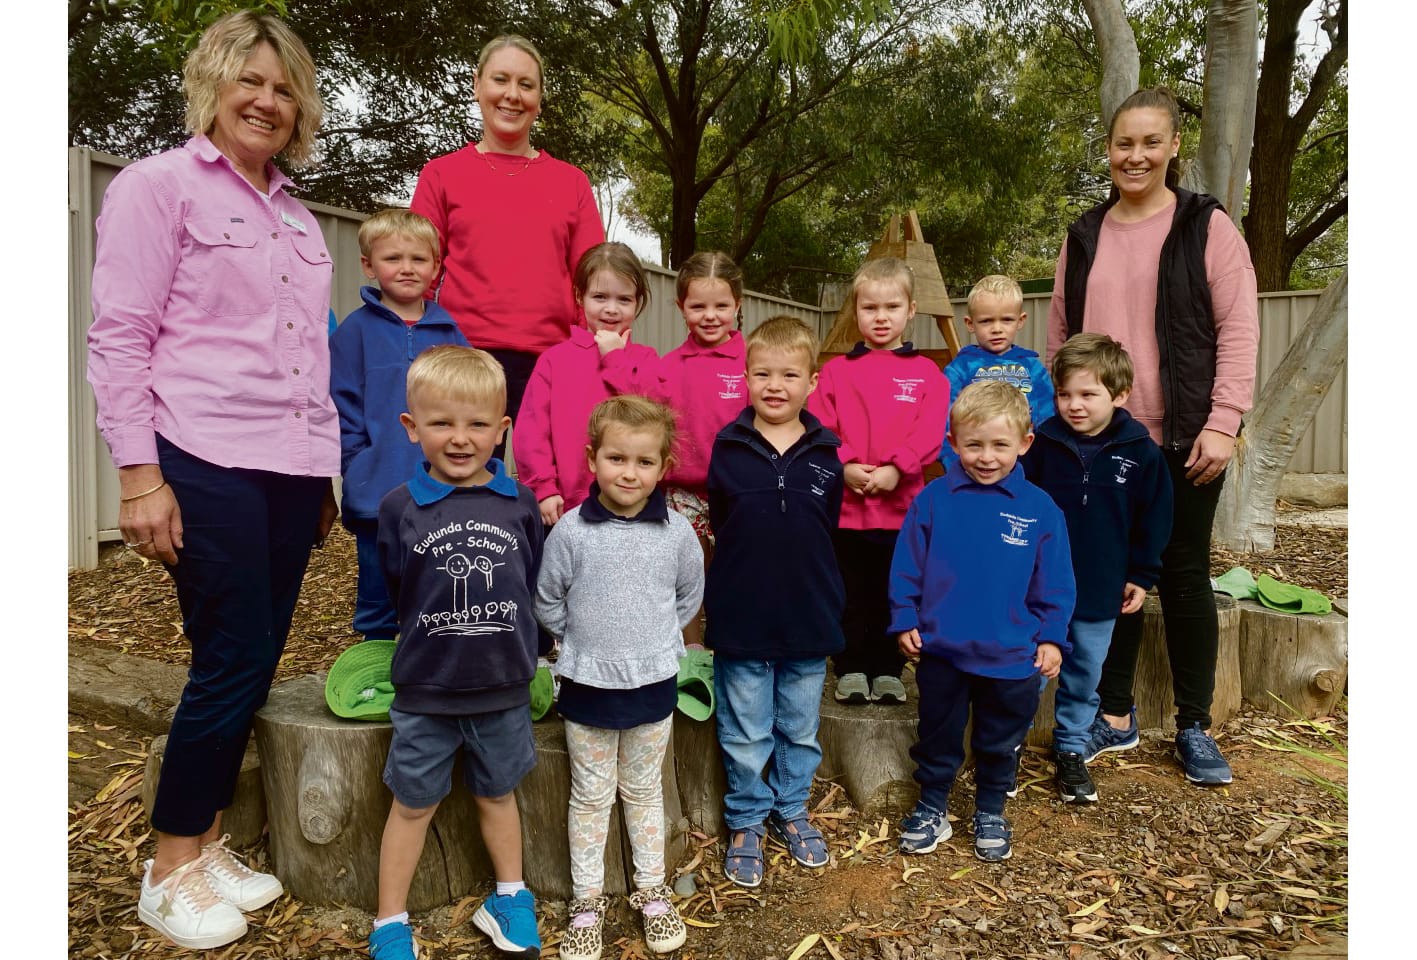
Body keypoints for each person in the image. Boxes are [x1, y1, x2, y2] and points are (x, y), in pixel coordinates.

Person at [86, 11, 336, 949]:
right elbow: (119, 337)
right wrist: (140, 475)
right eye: (251, 82)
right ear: (214, 85)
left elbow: (306, 355)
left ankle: (210, 845)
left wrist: (320, 475)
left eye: (284, 89)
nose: (267, 101)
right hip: (203, 454)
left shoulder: (297, 216)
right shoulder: (160, 188)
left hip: (288, 465)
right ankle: (167, 867)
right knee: (229, 656)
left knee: (258, 659)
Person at [1048, 86, 1259, 786]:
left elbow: (1238, 328)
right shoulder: (1082, 235)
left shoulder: (1205, 226)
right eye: (1121, 143)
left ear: (1173, 149)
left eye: (1148, 142)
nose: (1133, 155)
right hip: (1098, 440)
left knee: (1181, 572)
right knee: (1105, 574)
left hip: (1183, 438)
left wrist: (1223, 422)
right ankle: (1113, 716)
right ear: (1108, 151)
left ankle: (1193, 724)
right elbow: (1058, 333)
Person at [369, 346, 544, 960]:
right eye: (442, 423)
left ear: (503, 428)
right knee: (412, 803)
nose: (461, 439)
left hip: (502, 687)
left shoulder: (519, 504)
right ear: (412, 428)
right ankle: (390, 922)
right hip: (426, 690)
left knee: (499, 794)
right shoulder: (399, 508)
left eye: (478, 425)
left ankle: (510, 895)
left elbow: (531, 581)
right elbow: (394, 588)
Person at [534, 395, 703, 960]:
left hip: (653, 684)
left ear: (662, 466)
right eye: (616, 458)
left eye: (644, 462)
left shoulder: (676, 532)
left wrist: (650, 645)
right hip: (586, 687)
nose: (629, 473)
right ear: (593, 459)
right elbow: (548, 600)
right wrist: (584, 645)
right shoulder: (573, 533)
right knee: (590, 795)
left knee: (644, 791)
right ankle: (587, 902)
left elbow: (687, 597)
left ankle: (651, 890)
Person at [890, 381, 1075, 862]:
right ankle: (933, 804)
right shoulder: (934, 498)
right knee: (937, 735)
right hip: (943, 650)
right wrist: (904, 615)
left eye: (999, 445)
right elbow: (907, 562)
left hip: (1011, 655)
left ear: (1024, 443)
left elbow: (1055, 582)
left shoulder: (1039, 510)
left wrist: (1052, 637)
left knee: (1000, 738)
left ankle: (991, 807)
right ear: (952, 442)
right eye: (973, 445)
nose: (986, 457)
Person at [704, 316, 845, 888]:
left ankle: (792, 808)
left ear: (813, 381)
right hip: (743, 611)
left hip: (809, 611)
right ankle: (746, 819)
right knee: (745, 730)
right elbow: (722, 522)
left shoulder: (826, 453)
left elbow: (825, 527)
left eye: (790, 374)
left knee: (799, 726)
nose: (775, 385)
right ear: (746, 377)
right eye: (762, 373)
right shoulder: (729, 447)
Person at [410, 34, 604, 434]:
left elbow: (595, 279)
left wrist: (590, 355)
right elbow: (417, 272)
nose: (512, 95)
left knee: (556, 485)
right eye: (501, 80)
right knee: (464, 483)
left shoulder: (572, 183)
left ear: (539, 96)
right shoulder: (441, 174)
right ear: (478, 85)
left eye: (526, 84)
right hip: (463, 356)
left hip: (552, 359)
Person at [1021, 334, 1173, 804]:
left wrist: (1142, 575)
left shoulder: (1140, 453)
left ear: (1120, 395)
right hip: (1037, 587)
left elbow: (1156, 518)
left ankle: (1070, 746)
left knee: (1085, 670)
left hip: (1100, 586)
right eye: (1065, 394)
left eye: (1088, 394)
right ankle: (1006, 743)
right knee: (1024, 666)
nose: (1074, 405)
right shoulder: (1041, 445)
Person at [808, 257, 948, 705]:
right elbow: (821, 425)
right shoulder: (835, 372)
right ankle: (849, 665)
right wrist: (845, 465)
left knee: (896, 588)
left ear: (911, 310)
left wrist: (897, 468)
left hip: (902, 507)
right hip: (847, 508)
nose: (881, 317)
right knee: (849, 590)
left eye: (892, 306)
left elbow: (931, 430)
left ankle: (888, 667)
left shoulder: (928, 373)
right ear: (856, 311)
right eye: (870, 307)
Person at [330, 208, 469, 643]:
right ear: (369, 265)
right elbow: (340, 403)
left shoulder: (450, 333)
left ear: (436, 266)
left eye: (419, 259)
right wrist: (357, 461)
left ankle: (430, 665)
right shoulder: (354, 332)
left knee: (438, 582)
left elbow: (471, 399)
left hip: (441, 489)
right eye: (393, 259)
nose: (407, 269)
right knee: (377, 588)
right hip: (376, 490)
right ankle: (375, 666)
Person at [516, 241, 663, 526]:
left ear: (638, 302)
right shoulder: (554, 360)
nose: (611, 309)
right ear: (579, 296)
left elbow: (655, 413)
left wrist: (615, 359)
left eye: (624, 299)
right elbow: (532, 433)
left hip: (633, 506)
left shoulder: (645, 359)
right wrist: (543, 487)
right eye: (599, 297)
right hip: (567, 508)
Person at [658, 251, 747, 647]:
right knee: (689, 571)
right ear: (681, 307)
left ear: (738, 305)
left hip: (739, 487)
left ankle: (729, 646)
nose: (710, 315)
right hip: (682, 489)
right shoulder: (669, 364)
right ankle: (691, 651)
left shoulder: (752, 362)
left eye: (721, 306)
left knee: (733, 571)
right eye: (698, 306)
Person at [940, 274, 1054, 469]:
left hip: (1026, 468)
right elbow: (944, 420)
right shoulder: (961, 369)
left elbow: (1048, 420)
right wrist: (955, 466)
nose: (997, 329)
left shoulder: (1032, 368)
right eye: (986, 321)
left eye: (1007, 320)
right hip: (975, 466)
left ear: (1021, 320)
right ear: (970, 323)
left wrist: (1041, 464)